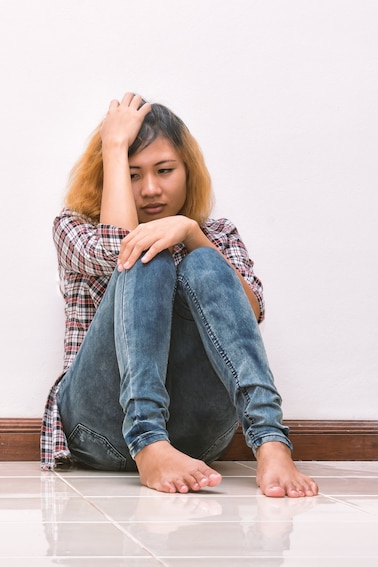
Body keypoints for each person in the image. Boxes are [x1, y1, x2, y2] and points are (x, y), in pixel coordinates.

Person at [41, 92, 319, 498]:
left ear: (188, 171)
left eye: (164, 170)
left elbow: (252, 311)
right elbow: (122, 244)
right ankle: (149, 442)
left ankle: (271, 441)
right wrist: (113, 145)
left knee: (207, 263)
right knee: (143, 251)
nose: (151, 188)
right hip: (98, 427)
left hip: (195, 433)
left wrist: (193, 235)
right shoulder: (73, 229)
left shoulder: (217, 233)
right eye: (132, 174)